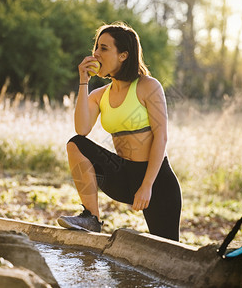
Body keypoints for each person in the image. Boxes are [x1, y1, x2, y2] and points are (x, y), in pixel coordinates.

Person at [57, 22, 182, 241]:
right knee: (76, 143)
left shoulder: (148, 86)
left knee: (170, 251)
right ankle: (91, 218)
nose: (95, 54)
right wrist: (83, 81)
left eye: (104, 48)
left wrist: (146, 186)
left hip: (157, 181)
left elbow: (161, 137)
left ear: (123, 55)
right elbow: (82, 129)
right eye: (96, 47)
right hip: (122, 174)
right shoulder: (100, 94)